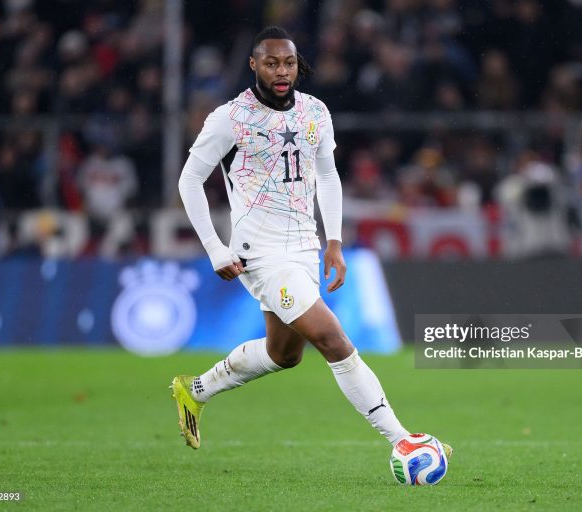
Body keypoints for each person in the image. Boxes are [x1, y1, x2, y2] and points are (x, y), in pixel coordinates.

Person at [171, 26, 451, 459]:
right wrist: (213, 247)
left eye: (288, 63)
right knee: (333, 340)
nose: (281, 71)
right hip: (260, 255)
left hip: (304, 247)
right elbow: (189, 180)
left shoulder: (315, 112)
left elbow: (327, 176)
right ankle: (403, 440)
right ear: (254, 65)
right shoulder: (230, 118)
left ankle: (195, 390)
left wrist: (334, 242)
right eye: (271, 62)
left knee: (284, 355)